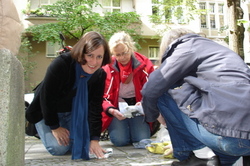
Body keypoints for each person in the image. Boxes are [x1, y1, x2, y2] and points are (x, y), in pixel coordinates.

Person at [141, 28, 250, 166]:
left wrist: (153, 116)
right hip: (243, 136)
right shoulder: (221, 52)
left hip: (230, 137)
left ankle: (198, 156)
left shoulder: (186, 46)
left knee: (163, 90)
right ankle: (226, 160)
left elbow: (151, 88)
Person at [25, 31, 111, 160]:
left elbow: (95, 107)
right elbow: (46, 98)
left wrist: (94, 139)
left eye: (99, 57)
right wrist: (54, 127)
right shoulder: (62, 64)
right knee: (59, 148)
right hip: (46, 111)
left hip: (71, 112)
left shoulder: (99, 75)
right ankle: (42, 129)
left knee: (82, 144)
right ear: (81, 52)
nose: (94, 62)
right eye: (90, 55)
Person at [102, 31, 155, 146]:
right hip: (117, 108)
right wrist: (111, 110)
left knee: (141, 139)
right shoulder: (108, 67)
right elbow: (103, 96)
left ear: (130, 48)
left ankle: (138, 127)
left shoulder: (144, 64)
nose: (122, 58)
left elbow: (151, 90)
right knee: (120, 141)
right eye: (117, 54)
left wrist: (143, 103)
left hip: (138, 108)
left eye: (124, 53)